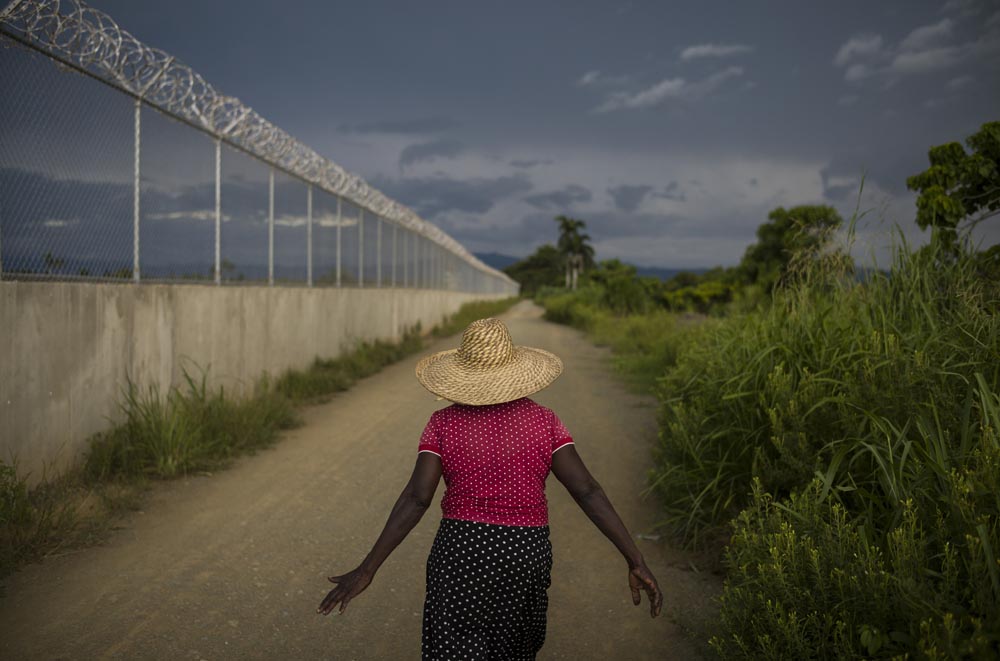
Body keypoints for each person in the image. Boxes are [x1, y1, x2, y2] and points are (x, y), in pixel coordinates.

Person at [318, 317, 662, 659]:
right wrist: (635, 558)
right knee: (512, 650)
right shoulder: (545, 422)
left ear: (461, 373)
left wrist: (367, 569)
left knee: (453, 649)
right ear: (515, 369)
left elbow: (417, 498)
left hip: (460, 551)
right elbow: (587, 490)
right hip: (525, 553)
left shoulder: (443, 423)